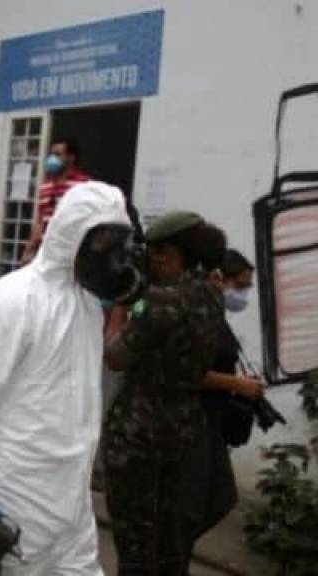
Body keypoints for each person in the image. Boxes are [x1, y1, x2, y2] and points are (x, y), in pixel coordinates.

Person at [0, 182, 136, 576]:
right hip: (14, 492)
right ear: (72, 233)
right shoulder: (12, 299)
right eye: (103, 243)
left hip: (71, 494)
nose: (112, 257)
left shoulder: (88, 305)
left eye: (119, 245)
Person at [102, 211, 229, 575]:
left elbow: (115, 356)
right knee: (171, 542)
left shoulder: (162, 301)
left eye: (160, 252)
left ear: (178, 254)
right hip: (184, 428)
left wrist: (122, 305)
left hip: (139, 435)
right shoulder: (211, 294)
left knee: (135, 543)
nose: (153, 260)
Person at [176, 248, 264, 575]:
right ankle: (170, 555)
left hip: (212, 422)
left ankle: (172, 553)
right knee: (196, 504)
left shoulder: (216, 316)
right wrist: (237, 384)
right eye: (240, 285)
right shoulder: (198, 315)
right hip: (192, 423)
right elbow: (188, 372)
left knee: (220, 498)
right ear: (218, 278)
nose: (243, 295)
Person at [20, 139, 90, 264]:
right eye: (51, 154)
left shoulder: (83, 185)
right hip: (46, 252)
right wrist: (29, 250)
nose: (52, 159)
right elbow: (40, 222)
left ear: (71, 157)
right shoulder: (45, 187)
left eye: (57, 154)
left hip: (70, 252)